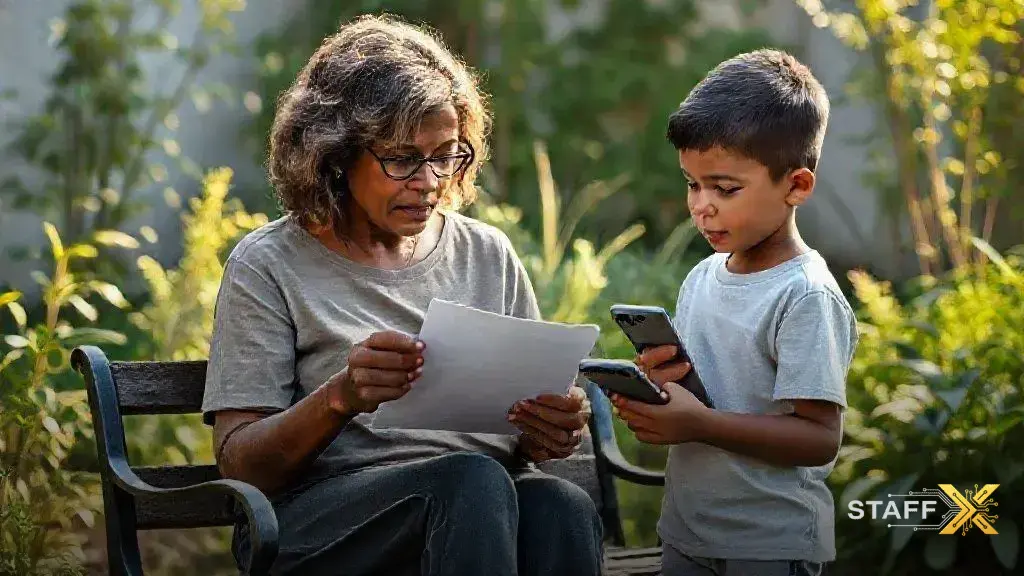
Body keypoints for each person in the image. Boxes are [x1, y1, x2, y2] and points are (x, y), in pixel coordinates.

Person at [201, 15, 602, 576]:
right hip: (320, 525)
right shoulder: (268, 264)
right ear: (335, 155)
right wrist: (340, 396)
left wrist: (546, 430)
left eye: (446, 154)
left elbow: (521, 450)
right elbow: (242, 468)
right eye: (402, 158)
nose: (430, 180)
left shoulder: (487, 254)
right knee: (469, 482)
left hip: (473, 507)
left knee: (561, 505)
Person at [610, 49, 859, 576]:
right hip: (686, 531)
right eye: (692, 184)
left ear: (796, 185)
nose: (702, 205)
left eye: (725, 188)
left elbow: (819, 438)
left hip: (770, 543)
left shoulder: (805, 295)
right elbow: (708, 392)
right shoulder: (702, 277)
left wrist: (700, 424)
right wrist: (660, 395)